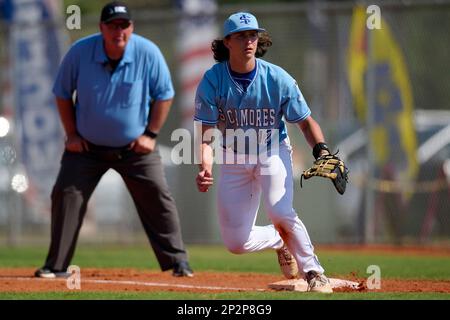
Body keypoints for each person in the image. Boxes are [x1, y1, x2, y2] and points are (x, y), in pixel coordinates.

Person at [35, 1, 193, 278]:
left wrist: (151, 134)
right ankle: (56, 265)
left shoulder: (147, 52)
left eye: (124, 24)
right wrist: (71, 134)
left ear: (131, 27)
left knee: (158, 195)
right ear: (102, 27)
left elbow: (164, 94)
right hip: (86, 147)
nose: (118, 30)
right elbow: (62, 92)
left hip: (135, 148)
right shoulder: (80, 52)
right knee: (65, 193)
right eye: (112, 25)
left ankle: (179, 262)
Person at [194, 12, 333, 293]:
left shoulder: (277, 78)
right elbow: (206, 136)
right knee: (236, 243)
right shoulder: (213, 80)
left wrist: (322, 151)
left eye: (253, 35)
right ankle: (279, 240)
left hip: (272, 152)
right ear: (228, 42)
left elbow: (305, 122)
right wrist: (204, 168)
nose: (249, 40)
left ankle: (314, 272)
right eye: (241, 35)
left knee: (280, 211)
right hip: (233, 157)